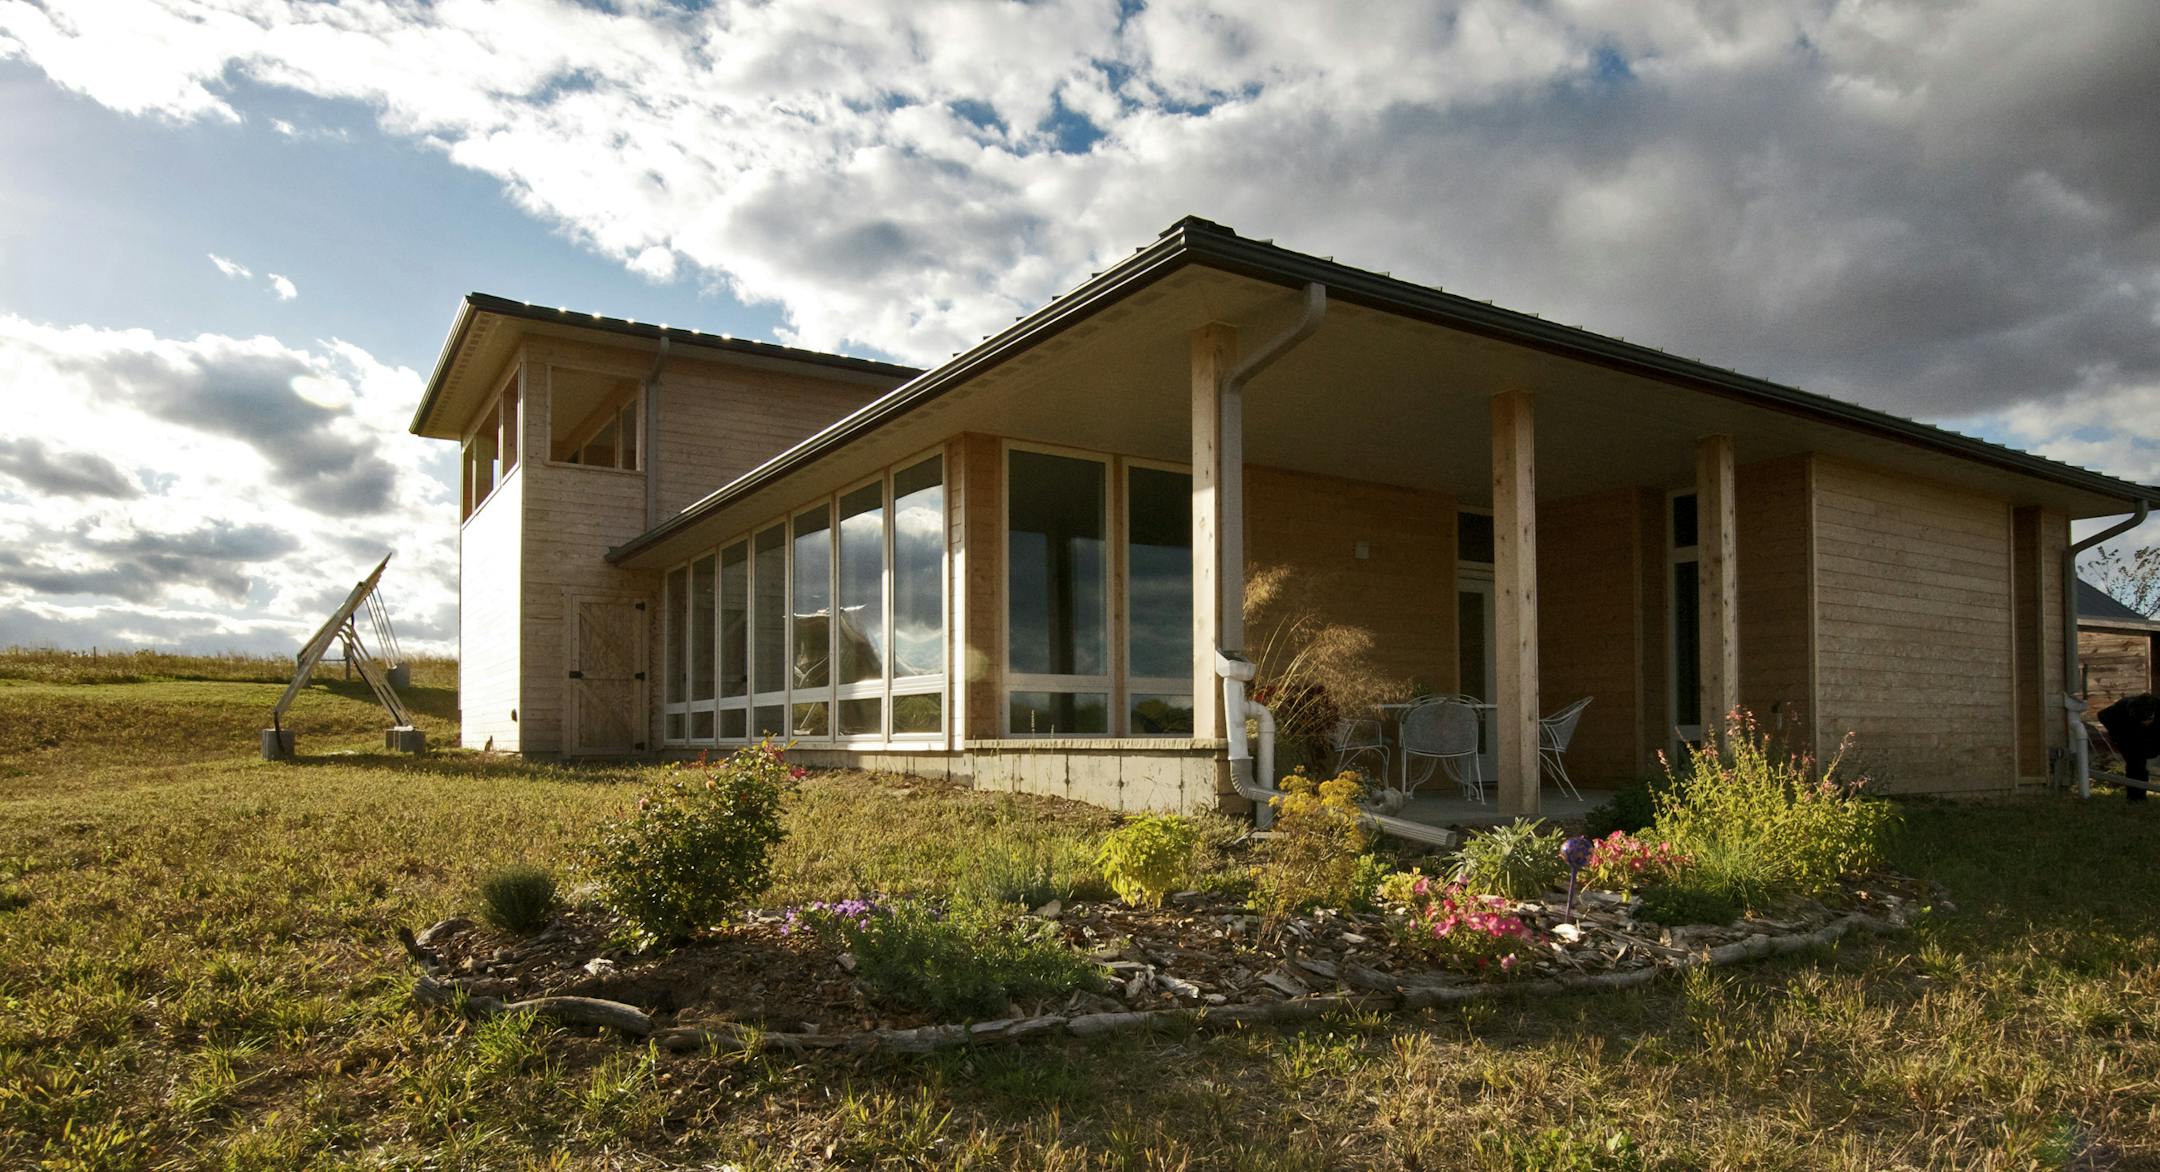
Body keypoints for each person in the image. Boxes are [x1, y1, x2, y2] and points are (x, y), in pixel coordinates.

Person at [2095, 692, 2158, 803]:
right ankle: (2136, 797)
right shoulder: (2118, 710)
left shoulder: (2157, 705)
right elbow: (2101, 716)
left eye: (2148, 721)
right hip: (2131, 739)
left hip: (2153, 736)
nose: (2145, 723)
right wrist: (2119, 737)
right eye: (2142, 721)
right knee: (2136, 765)